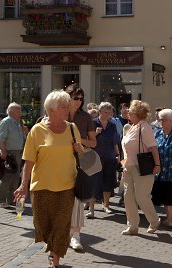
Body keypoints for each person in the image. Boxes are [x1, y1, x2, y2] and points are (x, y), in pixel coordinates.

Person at [13, 90, 84, 267]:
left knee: (61, 228)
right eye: (62, 107)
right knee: (43, 226)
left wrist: (79, 149)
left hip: (67, 187)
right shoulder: (37, 131)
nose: (67, 109)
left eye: (67, 106)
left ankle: (54, 259)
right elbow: (28, 162)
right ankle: (51, 250)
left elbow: (81, 154)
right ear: (51, 109)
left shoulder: (72, 128)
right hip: (41, 187)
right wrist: (23, 185)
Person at [120, 100, 161, 235]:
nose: (128, 113)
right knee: (128, 196)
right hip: (129, 167)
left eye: (130, 111)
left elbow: (152, 147)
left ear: (136, 113)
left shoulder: (144, 127)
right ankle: (132, 226)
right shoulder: (133, 127)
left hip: (142, 166)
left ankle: (154, 220)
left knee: (141, 196)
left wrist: (157, 164)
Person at [65, 86, 97, 251]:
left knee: (77, 201)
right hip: (58, 163)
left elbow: (93, 143)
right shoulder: (58, 113)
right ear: (67, 97)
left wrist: (79, 140)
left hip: (78, 163)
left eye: (81, 98)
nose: (78, 101)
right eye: (75, 97)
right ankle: (61, 234)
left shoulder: (85, 117)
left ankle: (76, 237)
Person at [86, 102, 120, 219]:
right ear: (100, 111)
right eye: (105, 112)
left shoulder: (112, 125)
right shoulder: (93, 123)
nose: (107, 114)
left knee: (108, 181)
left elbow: (115, 141)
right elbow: (87, 140)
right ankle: (91, 209)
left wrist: (117, 154)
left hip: (109, 156)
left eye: (109, 112)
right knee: (94, 182)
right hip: (95, 157)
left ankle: (106, 205)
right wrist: (96, 133)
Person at [0, 102, 25, 208]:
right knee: (6, 177)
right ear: (11, 111)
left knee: (16, 177)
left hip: (18, 152)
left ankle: (11, 200)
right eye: (18, 110)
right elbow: (0, 138)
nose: (20, 113)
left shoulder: (17, 122)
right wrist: (3, 152)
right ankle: (1, 201)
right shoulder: (6, 122)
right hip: (9, 152)